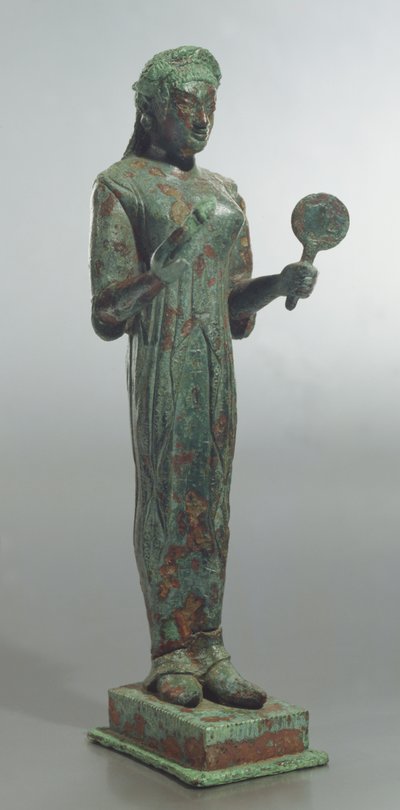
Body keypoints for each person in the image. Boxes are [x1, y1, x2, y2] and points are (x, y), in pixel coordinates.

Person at [90, 46, 317, 709]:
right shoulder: (122, 186)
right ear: (151, 111)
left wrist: (279, 284)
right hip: (164, 362)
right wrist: (158, 273)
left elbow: (234, 306)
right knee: (168, 496)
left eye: (210, 106)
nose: (202, 118)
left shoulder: (224, 193)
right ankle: (171, 652)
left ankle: (210, 646)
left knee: (210, 501)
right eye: (188, 105)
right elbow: (107, 314)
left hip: (214, 365)